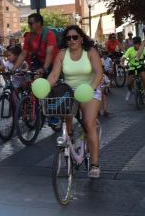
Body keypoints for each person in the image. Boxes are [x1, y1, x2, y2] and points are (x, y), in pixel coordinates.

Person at [47, 25, 104, 178]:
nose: (71, 40)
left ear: (81, 38)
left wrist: (90, 88)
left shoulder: (90, 51)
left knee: (88, 123)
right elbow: (54, 75)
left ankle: (94, 164)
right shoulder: (62, 54)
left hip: (90, 89)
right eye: (68, 38)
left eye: (75, 37)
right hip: (69, 91)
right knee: (67, 124)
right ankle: (69, 148)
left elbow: (99, 72)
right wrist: (45, 86)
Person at [123, 36, 145, 102]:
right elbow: (124, 57)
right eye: (135, 44)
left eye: (138, 44)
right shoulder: (130, 49)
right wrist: (122, 62)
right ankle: (130, 91)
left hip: (140, 66)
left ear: (140, 44)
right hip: (132, 68)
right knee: (128, 83)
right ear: (133, 44)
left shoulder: (143, 49)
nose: (136, 45)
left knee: (143, 77)